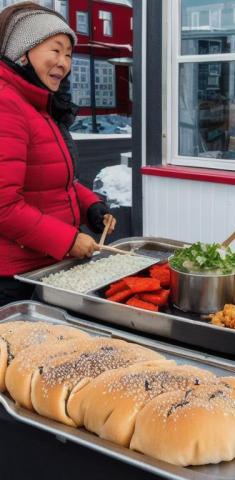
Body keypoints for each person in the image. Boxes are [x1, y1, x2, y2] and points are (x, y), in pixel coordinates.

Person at [0, 2, 116, 306]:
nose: (64, 63)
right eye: (56, 50)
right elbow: (3, 206)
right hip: (13, 281)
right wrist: (67, 240)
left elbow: (53, 180)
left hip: (46, 266)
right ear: (21, 53)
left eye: (68, 54)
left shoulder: (38, 106)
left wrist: (91, 207)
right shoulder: (6, 104)